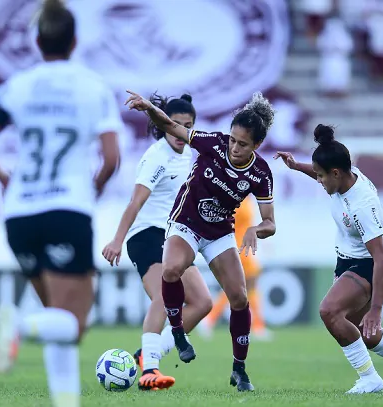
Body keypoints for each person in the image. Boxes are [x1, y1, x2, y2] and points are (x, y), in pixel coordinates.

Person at [0, 1, 122, 406]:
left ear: (37, 42)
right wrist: (95, 188)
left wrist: (5, 178)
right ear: (75, 41)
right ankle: (17, 324)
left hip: (19, 213)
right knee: (73, 323)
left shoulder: (15, 86)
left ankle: (65, 401)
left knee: (57, 318)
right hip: (66, 210)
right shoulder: (92, 86)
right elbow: (110, 159)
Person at [124, 90, 277, 392]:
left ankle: (239, 369)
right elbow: (171, 126)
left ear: (257, 146)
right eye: (233, 139)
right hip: (186, 224)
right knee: (171, 270)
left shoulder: (261, 173)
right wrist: (149, 108)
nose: (234, 147)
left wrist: (255, 230)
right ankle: (178, 335)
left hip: (219, 232)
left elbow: (271, 222)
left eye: (242, 144)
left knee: (240, 298)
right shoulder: (214, 143)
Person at [274, 125, 383, 394]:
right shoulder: (345, 174)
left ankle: (370, 379)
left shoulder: (362, 205)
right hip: (347, 258)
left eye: (322, 176)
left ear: (336, 173)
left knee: (329, 311)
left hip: (370, 263)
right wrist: (297, 166)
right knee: (363, 333)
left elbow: (380, 258)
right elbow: (323, 171)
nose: (320, 181)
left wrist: (377, 309)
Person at [101, 94, 212, 390]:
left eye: (187, 125)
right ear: (163, 125)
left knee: (202, 303)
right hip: (146, 235)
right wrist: (116, 239)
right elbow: (136, 202)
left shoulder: (192, 153)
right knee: (165, 297)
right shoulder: (156, 157)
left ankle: (145, 355)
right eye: (175, 124)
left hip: (176, 237)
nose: (180, 131)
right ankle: (150, 369)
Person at [199, 197, 272, 341]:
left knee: (245, 284)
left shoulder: (247, 197)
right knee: (243, 283)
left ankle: (256, 325)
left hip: (245, 243)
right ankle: (256, 325)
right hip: (238, 244)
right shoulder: (235, 197)